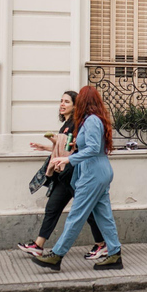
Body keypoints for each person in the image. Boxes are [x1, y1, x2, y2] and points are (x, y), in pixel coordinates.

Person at [31, 86, 123, 271]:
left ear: (84, 102)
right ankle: (114, 255)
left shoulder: (90, 121)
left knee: (76, 215)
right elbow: (92, 147)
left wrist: (68, 158)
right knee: (104, 216)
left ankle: (56, 255)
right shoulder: (94, 119)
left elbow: (92, 148)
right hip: (99, 172)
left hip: (93, 174)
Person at [17, 91, 108, 260]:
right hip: (64, 174)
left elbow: (74, 148)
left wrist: (55, 143)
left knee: (86, 210)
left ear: (75, 106)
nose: (62, 104)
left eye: (66, 101)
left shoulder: (77, 123)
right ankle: (38, 245)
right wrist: (46, 147)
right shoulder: (67, 123)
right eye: (61, 101)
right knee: (53, 207)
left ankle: (102, 244)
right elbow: (64, 148)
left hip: (73, 173)